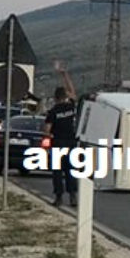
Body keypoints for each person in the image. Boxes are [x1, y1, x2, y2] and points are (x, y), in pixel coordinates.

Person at [45, 61, 78, 207]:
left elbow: (47, 130)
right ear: (65, 96)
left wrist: (48, 136)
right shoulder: (70, 106)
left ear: (54, 98)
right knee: (70, 170)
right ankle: (73, 197)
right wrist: (64, 74)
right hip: (71, 143)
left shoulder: (52, 112)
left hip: (57, 144)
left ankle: (59, 198)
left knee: (57, 172)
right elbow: (72, 91)